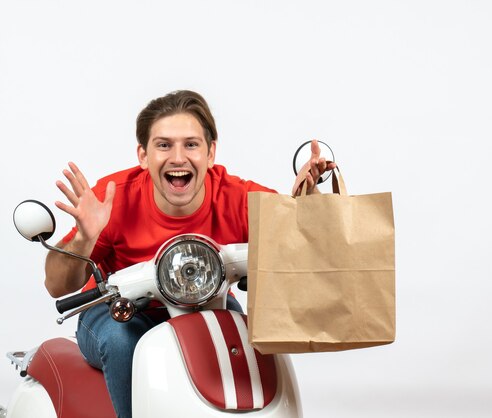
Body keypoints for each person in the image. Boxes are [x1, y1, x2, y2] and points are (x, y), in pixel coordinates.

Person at [44, 90, 336, 418]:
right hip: (119, 312)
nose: (179, 157)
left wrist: (307, 204)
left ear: (211, 153)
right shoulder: (112, 199)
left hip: (209, 302)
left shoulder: (237, 197)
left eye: (191, 144)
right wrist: (84, 238)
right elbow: (56, 285)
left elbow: (300, 247)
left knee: (245, 333)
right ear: (143, 155)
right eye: (164, 144)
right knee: (123, 343)